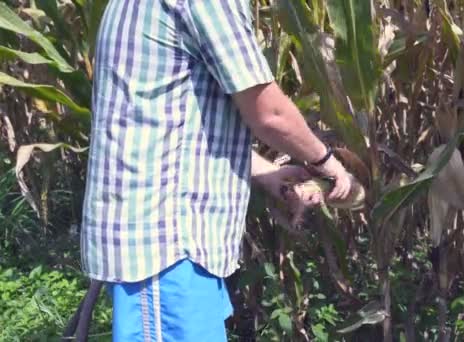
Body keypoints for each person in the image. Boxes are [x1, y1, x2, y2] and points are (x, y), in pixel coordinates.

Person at [81, 0, 352, 340]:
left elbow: (168, 113)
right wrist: (327, 163)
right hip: (166, 247)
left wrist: (265, 172)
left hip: (172, 245)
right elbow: (269, 113)